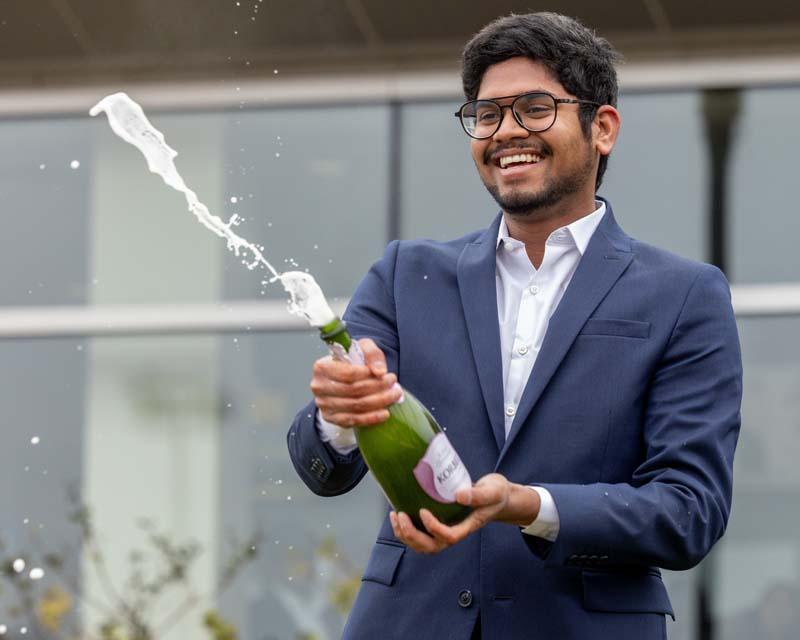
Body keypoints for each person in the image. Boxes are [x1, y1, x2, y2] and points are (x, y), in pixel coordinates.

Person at [287, 12, 742, 639]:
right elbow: (322, 467)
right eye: (487, 114)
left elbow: (689, 510)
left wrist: (529, 505)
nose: (506, 132)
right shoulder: (405, 274)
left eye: (533, 108)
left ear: (602, 128)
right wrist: (339, 415)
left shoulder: (684, 295)